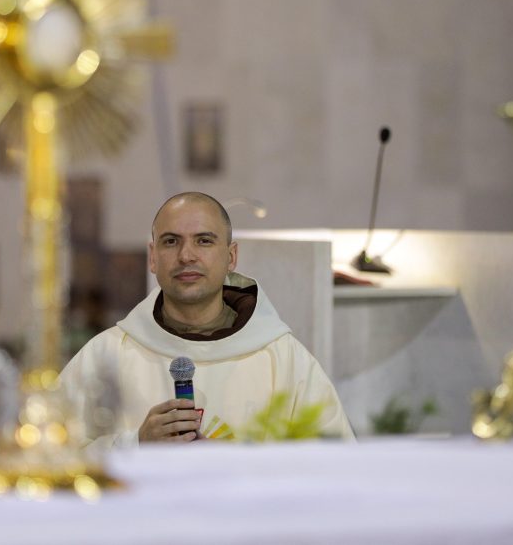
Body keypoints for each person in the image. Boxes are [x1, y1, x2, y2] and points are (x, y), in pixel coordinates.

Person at [60, 192, 354, 448]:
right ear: (153, 257)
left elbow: (335, 466)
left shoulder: (284, 358)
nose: (186, 255)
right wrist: (136, 444)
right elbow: (51, 459)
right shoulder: (105, 355)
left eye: (203, 241)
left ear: (231, 256)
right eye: (171, 241)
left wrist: (237, 466)